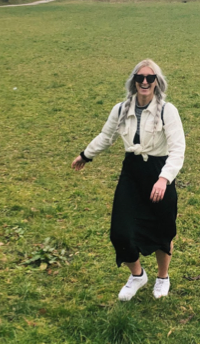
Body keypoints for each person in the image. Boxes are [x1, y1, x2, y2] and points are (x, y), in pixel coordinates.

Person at [71, 59, 185, 301]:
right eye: (139, 77)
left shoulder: (168, 110)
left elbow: (177, 150)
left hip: (159, 171)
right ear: (133, 81)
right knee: (120, 232)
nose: (144, 82)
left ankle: (162, 278)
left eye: (150, 78)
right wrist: (85, 155)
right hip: (132, 173)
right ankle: (137, 275)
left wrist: (163, 179)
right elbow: (106, 136)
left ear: (156, 82)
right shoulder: (121, 109)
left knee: (162, 230)